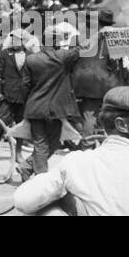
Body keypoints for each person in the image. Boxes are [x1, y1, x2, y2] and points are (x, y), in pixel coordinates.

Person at [13, 87, 129, 216]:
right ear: (121, 125)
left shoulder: (75, 164)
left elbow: (23, 201)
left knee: (47, 209)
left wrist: (62, 199)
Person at [22, 33, 81, 176]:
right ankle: (40, 177)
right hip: (57, 108)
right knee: (51, 144)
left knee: (41, 143)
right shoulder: (63, 57)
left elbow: (25, 85)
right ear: (57, 43)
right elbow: (80, 49)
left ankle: (27, 166)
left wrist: (28, 104)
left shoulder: (31, 59)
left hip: (35, 106)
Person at [0, 30, 31, 125]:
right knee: (1, 121)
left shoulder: (30, 56)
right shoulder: (5, 54)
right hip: (7, 95)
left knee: (21, 124)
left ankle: (19, 140)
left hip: (24, 96)